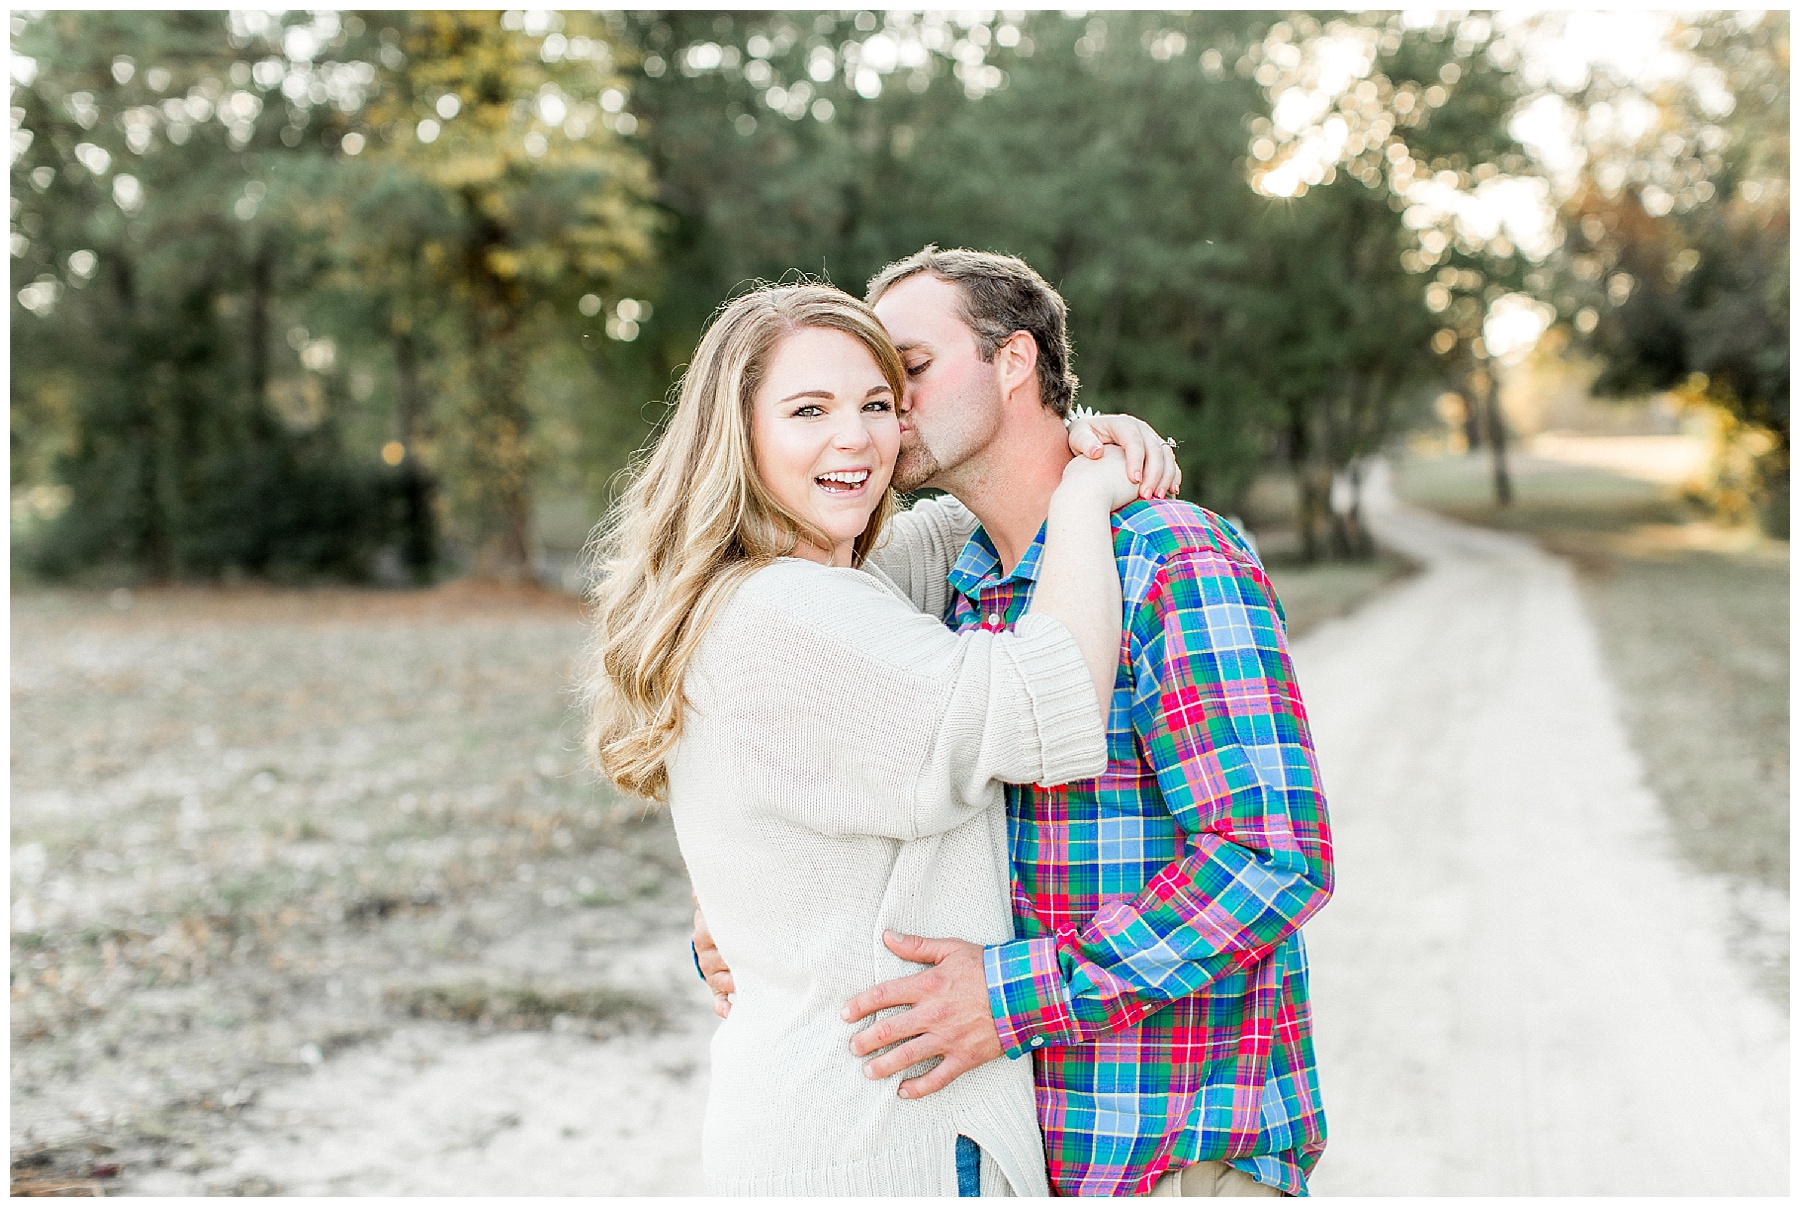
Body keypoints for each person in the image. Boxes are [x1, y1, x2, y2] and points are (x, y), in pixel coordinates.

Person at [697, 249, 1335, 1197]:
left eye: (906, 373)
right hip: (1020, 1158)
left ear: (1014, 361)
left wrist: (1012, 995)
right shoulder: (953, 589)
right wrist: (743, 906)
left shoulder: (1171, 556)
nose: (886, 416)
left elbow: (1273, 856)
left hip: (1167, 1152)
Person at [583, 282, 1180, 1196]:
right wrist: (1085, 494)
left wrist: (1081, 435)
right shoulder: (789, 613)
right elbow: (1049, 703)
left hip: (833, 1120)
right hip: (882, 1137)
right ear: (737, 432)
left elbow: (961, 519)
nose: (857, 438)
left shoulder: (796, 582)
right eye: (808, 410)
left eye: (877, 403)